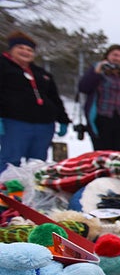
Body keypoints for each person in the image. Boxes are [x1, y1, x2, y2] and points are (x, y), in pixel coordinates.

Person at [0, 31, 71, 175]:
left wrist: (63, 120)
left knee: (37, 163)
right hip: (14, 122)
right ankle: (6, 193)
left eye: (29, 50)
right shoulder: (3, 66)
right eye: (21, 47)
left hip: (44, 125)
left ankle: (33, 193)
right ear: (11, 49)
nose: (25, 52)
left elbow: (54, 98)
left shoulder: (41, 73)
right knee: (10, 160)